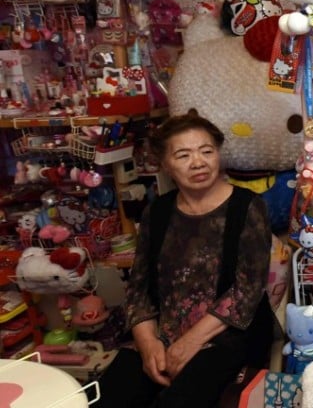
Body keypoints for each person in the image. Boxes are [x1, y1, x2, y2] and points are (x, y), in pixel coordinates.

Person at [97, 111, 273, 408]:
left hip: (225, 336)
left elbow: (246, 293)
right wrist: (148, 343)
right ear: (165, 164)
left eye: (207, 151)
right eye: (183, 155)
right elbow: (138, 288)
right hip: (162, 331)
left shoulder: (247, 208)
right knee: (109, 397)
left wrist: (188, 344)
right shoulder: (158, 212)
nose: (198, 162)